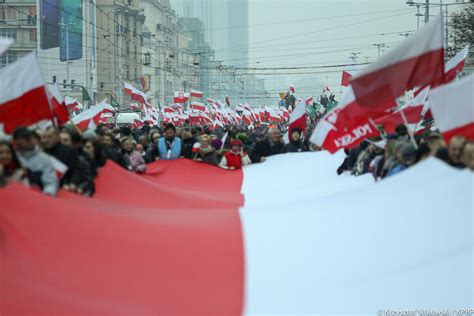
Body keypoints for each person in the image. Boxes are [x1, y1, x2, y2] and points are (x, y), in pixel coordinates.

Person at [13, 127, 59, 196]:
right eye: (25, 137)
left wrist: (47, 196)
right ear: (16, 141)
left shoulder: (45, 159)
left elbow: (50, 182)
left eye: (30, 137)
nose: (29, 140)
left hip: (39, 199)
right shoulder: (10, 157)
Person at [42, 126, 83, 192]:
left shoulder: (69, 151)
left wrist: (72, 183)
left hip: (64, 189)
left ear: (58, 137)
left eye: (50, 137)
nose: (46, 140)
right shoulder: (42, 152)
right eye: (44, 137)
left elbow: (76, 170)